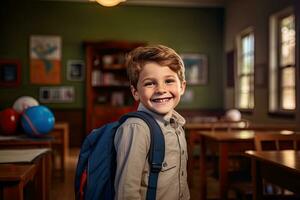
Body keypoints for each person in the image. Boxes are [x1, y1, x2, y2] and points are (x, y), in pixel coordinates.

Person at [114, 44, 190, 200]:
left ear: (182, 87)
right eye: (150, 83)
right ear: (135, 92)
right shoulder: (136, 129)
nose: (161, 89)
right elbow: (126, 193)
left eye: (169, 81)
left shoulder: (177, 125)